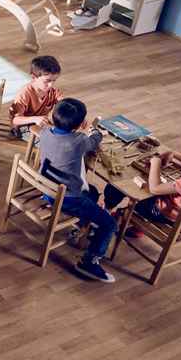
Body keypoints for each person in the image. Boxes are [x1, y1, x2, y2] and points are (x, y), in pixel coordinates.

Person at [37, 98, 118, 282]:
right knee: (110, 224)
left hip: (49, 190)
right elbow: (95, 140)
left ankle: (82, 226)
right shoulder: (79, 141)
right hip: (68, 198)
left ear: (52, 116)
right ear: (81, 123)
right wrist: (94, 130)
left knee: (94, 192)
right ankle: (89, 262)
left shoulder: (45, 132)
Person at [10, 55, 62, 141]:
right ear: (34, 77)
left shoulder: (53, 91)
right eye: (47, 81)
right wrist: (35, 118)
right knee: (52, 143)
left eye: (54, 80)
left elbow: (65, 104)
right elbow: (15, 120)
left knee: (62, 138)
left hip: (41, 125)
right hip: (22, 128)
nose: (51, 85)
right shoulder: (24, 93)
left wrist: (76, 116)